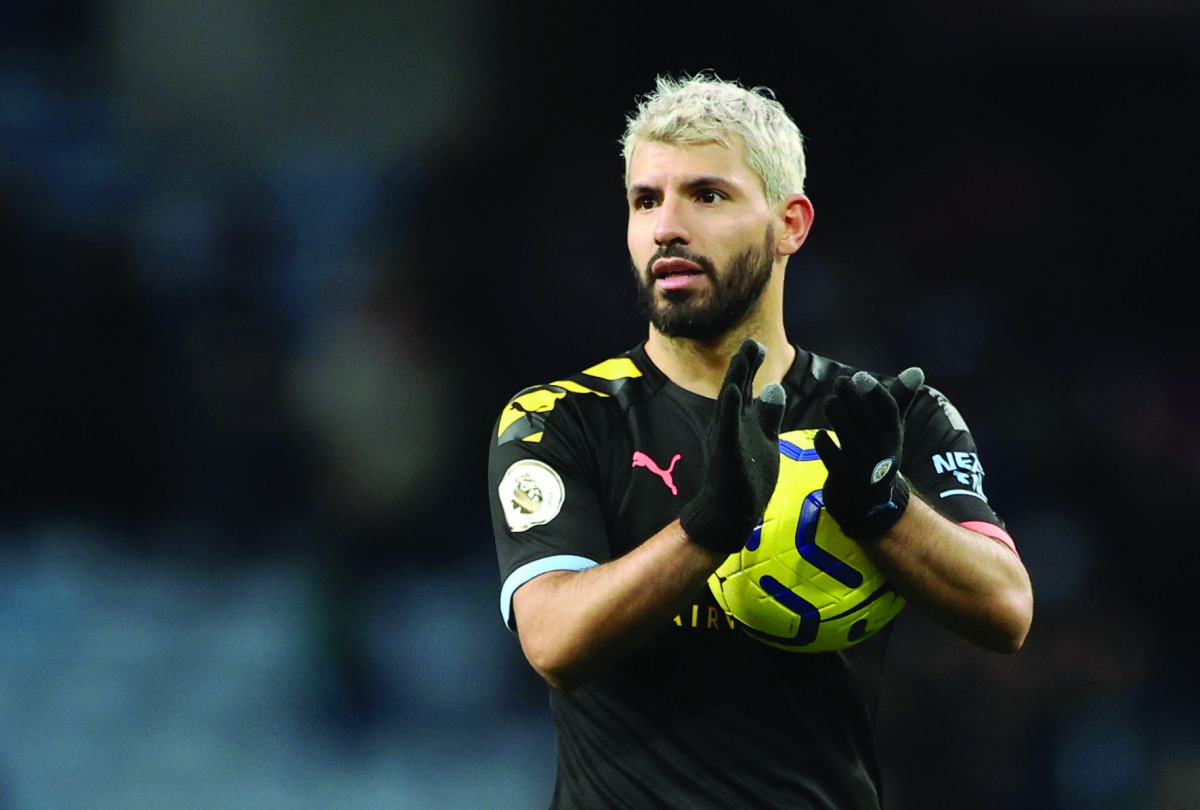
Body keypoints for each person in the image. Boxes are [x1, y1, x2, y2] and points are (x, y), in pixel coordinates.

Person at [487, 73, 1033, 809]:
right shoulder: (561, 418)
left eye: (706, 195)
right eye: (646, 200)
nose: (666, 227)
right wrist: (708, 528)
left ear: (791, 225)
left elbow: (1006, 610)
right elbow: (553, 642)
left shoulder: (882, 417)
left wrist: (882, 506)